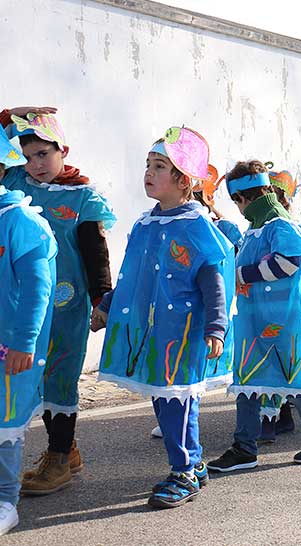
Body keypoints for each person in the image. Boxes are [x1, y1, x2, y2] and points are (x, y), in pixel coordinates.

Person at [93, 127, 234, 508]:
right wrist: (108, 305)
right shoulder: (144, 224)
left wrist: (216, 327)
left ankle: (184, 470)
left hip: (182, 333)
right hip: (152, 334)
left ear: (183, 180)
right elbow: (132, 274)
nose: (149, 173)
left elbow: (213, 278)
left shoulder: (197, 227)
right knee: (165, 399)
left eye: (160, 166)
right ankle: (194, 462)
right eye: (148, 165)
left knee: (177, 401)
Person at [1, 107, 115, 495]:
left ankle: (58, 459)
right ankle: (66, 450)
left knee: (60, 377)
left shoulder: (83, 196)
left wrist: (103, 299)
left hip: (67, 307)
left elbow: (95, 251)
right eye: (28, 156)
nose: (35, 165)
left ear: (62, 150)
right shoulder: (15, 181)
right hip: (24, 306)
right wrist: (8, 117)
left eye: (44, 154)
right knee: (33, 378)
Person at [206, 160, 301, 473]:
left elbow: (288, 263)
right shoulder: (256, 228)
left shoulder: (280, 223)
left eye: (236, 201)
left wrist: (242, 274)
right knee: (248, 380)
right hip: (254, 319)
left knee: (292, 380)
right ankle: (244, 447)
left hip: (284, 319)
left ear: (242, 199)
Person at [0, 132, 57, 534]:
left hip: (10, 346)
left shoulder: (21, 222)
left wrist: (24, 342)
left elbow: (38, 289)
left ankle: (5, 500)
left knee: (5, 423)